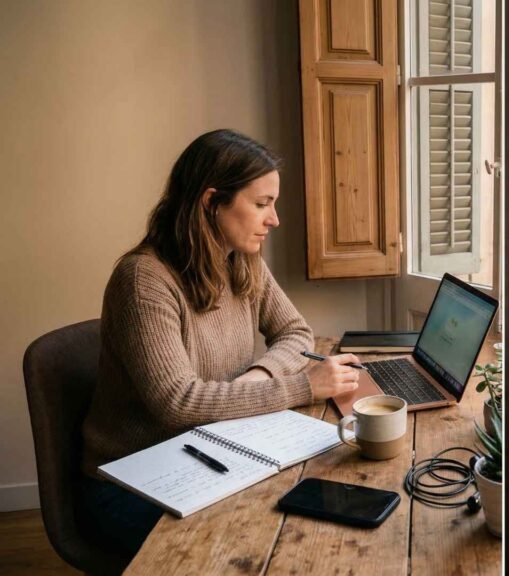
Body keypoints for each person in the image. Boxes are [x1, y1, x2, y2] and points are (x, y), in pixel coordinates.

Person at [78, 130, 362, 560]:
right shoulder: (143, 281)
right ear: (212, 202)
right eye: (262, 203)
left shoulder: (241, 259)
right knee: (250, 547)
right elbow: (178, 402)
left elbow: (296, 332)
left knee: (303, 522)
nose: (274, 219)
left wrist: (259, 375)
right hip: (130, 480)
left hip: (211, 448)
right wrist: (302, 387)